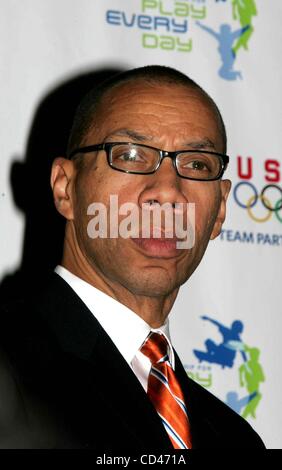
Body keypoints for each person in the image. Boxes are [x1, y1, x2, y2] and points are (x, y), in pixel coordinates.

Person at [0, 65, 265, 450]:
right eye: (129, 154)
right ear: (65, 187)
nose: (169, 192)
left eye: (196, 164)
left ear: (220, 209)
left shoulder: (234, 438)